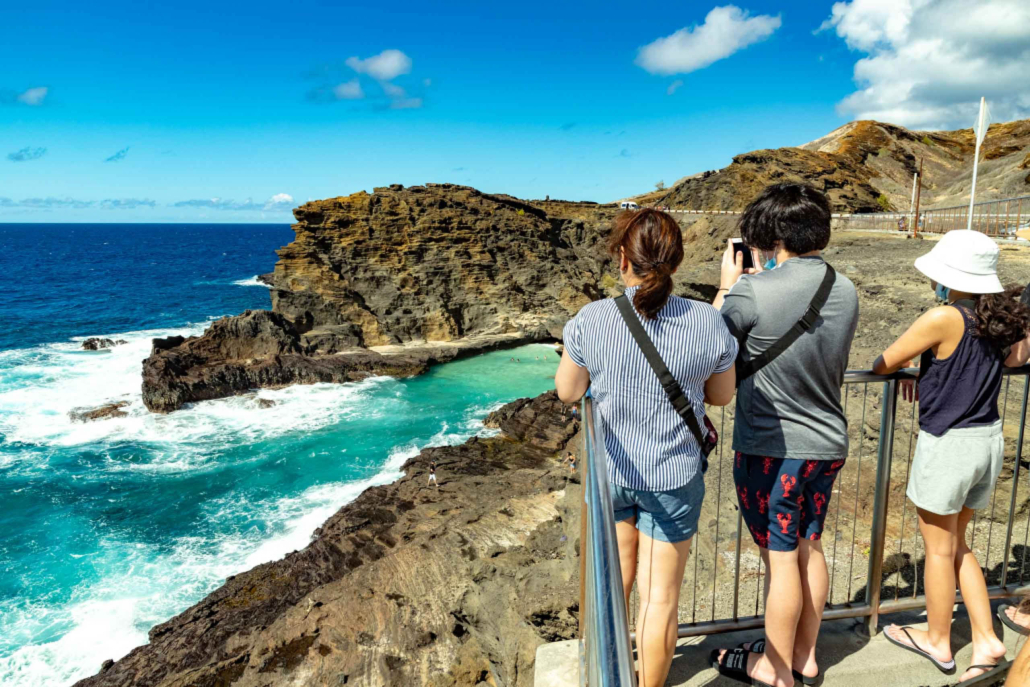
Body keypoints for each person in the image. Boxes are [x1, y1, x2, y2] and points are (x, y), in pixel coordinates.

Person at [555, 208, 738, 687]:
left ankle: (606, 673)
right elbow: (720, 396)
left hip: (614, 474)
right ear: (676, 261)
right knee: (660, 600)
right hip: (673, 478)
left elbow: (569, 392)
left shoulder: (591, 320)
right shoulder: (706, 322)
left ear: (623, 258)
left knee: (613, 588)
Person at [711, 183, 859, 687]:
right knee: (809, 548)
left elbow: (707, 347)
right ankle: (805, 655)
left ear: (769, 234)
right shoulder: (844, 287)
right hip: (827, 443)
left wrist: (729, 286)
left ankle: (774, 669)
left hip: (773, 449)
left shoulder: (753, 291)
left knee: (781, 561)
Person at [873, 230, 1030, 682]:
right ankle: (986, 638)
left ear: (949, 275)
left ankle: (938, 639)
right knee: (959, 545)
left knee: (938, 551)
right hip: (988, 438)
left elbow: (884, 362)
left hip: (949, 444)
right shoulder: (1003, 319)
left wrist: (912, 369)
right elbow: (1015, 360)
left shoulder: (943, 316)